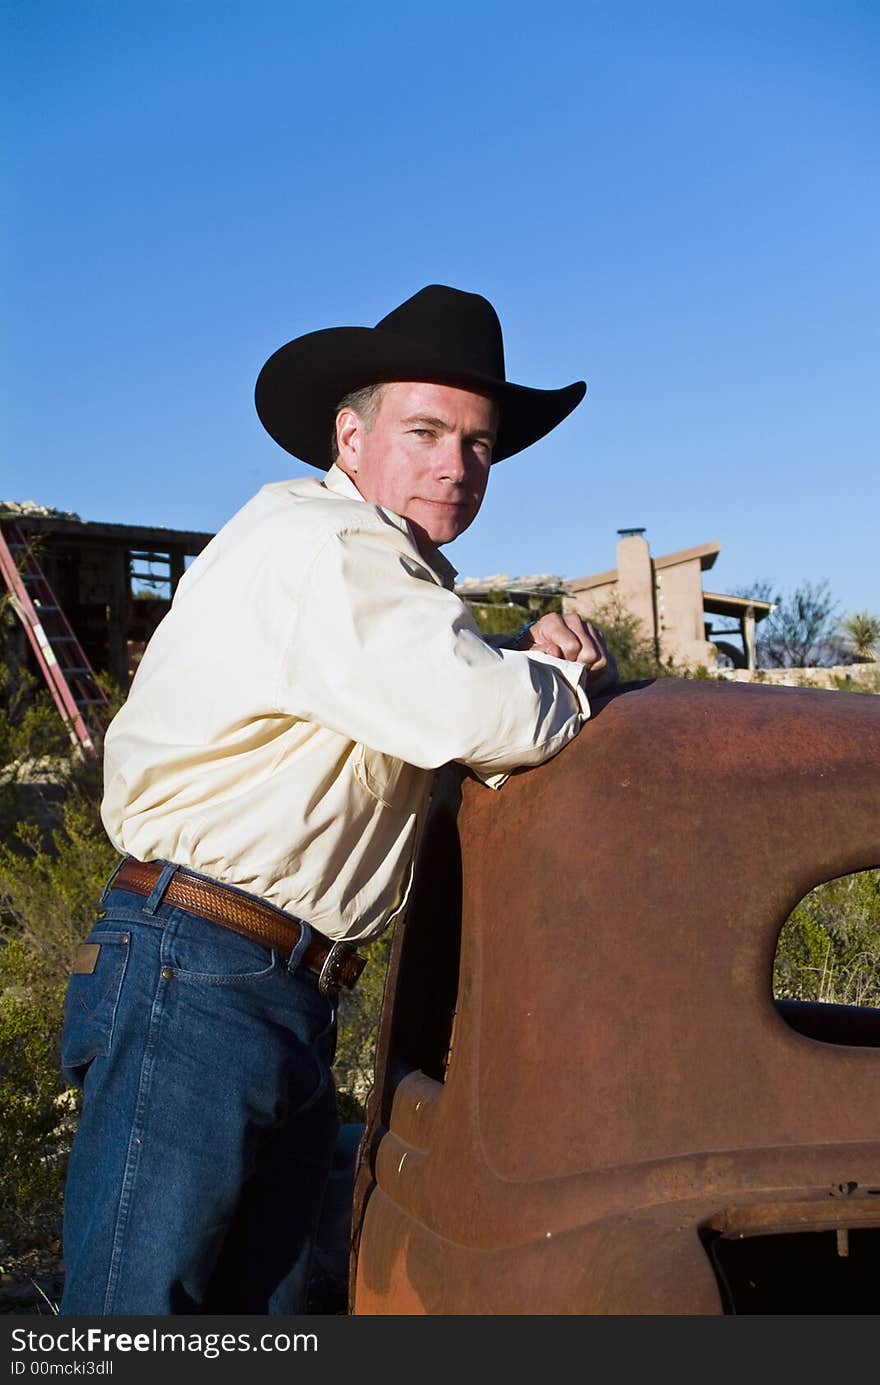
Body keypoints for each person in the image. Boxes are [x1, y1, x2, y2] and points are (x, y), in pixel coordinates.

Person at [58, 283, 617, 1316]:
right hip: (202, 967)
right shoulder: (328, 545)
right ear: (350, 437)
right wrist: (568, 678)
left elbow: (430, 681)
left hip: (261, 979)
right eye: (424, 430)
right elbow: (480, 711)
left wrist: (509, 665)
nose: (455, 465)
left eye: (480, 443)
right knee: (138, 1319)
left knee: (245, 1316)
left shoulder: (376, 582)